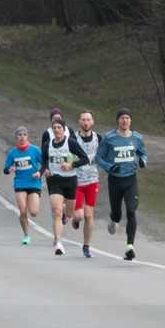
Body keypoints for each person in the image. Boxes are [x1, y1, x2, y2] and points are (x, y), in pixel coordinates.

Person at [95, 108, 148, 261]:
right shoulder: (109, 137)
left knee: (131, 210)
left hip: (130, 179)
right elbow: (99, 157)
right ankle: (113, 218)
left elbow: (143, 153)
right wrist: (110, 167)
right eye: (122, 118)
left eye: (127, 118)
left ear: (130, 121)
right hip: (115, 180)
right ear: (117, 121)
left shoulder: (138, 138)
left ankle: (130, 246)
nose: (125, 121)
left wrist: (143, 161)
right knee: (117, 214)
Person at [40, 118, 89, 255]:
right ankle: (59, 243)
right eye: (54, 128)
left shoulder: (71, 143)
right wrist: (45, 170)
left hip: (70, 181)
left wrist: (71, 165)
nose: (56, 130)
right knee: (56, 212)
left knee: (69, 212)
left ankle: (70, 217)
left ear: (64, 129)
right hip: (55, 180)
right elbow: (44, 160)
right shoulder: (47, 145)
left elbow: (85, 158)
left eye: (59, 128)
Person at [4, 126, 44, 245]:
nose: (22, 137)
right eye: (20, 135)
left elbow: (45, 164)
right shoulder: (12, 153)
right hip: (20, 183)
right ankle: (26, 234)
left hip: (33, 183)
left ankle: (33, 208)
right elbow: (5, 169)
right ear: (17, 137)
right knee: (22, 210)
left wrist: (40, 172)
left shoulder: (35, 150)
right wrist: (9, 170)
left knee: (34, 212)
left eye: (24, 135)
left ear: (27, 137)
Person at [72, 110, 101, 257]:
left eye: (88, 120)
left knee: (89, 215)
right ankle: (74, 219)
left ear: (92, 122)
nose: (85, 123)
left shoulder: (98, 138)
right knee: (79, 215)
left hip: (92, 181)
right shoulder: (73, 138)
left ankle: (86, 246)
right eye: (83, 120)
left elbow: (105, 154)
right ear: (79, 122)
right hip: (76, 181)